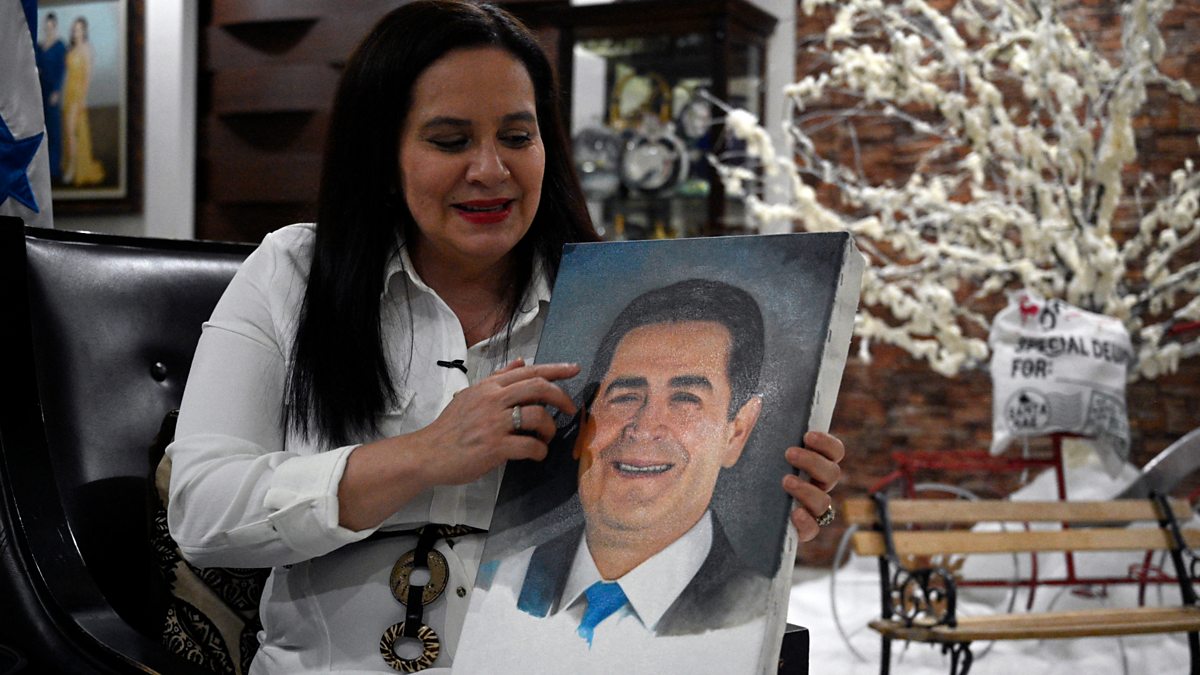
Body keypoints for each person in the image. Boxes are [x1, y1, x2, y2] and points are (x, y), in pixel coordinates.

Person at [166, 2, 844, 673]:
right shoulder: (294, 274)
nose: (491, 170)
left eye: (517, 137)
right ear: (383, 152)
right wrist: (422, 455)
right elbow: (201, 511)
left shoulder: (607, 303)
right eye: (450, 141)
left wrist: (784, 503)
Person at [454, 279, 813, 672]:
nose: (643, 427)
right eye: (624, 396)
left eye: (685, 399)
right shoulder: (496, 582)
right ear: (584, 422)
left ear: (737, 431)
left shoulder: (750, 611)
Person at [62, 16, 105, 186]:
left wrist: (82, 100)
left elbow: (88, 77)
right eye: (74, 29)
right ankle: (72, 164)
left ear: (84, 31)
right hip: (68, 93)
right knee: (69, 131)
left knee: (71, 131)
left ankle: (73, 168)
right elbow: (68, 74)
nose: (76, 32)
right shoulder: (71, 49)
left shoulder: (87, 48)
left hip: (78, 94)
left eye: (79, 29)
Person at [35, 12, 66, 183]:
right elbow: (36, 68)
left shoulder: (60, 46)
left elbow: (62, 71)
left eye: (51, 27)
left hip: (53, 94)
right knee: (42, 131)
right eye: (46, 27)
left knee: (54, 132)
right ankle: (43, 171)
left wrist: (57, 91)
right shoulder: (39, 47)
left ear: (55, 27)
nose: (48, 30)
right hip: (40, 93)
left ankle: (54, 170)